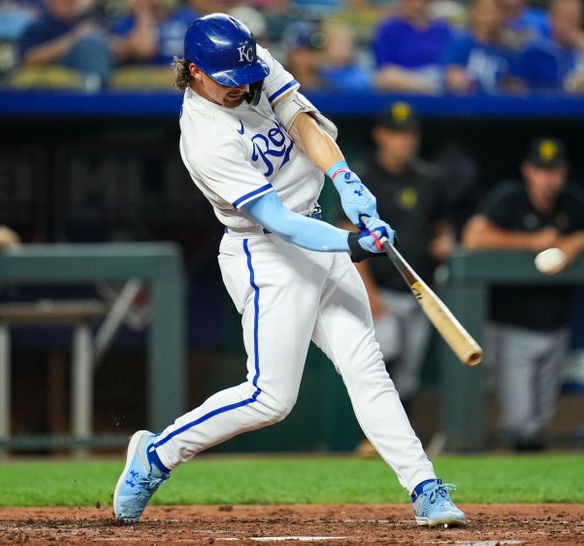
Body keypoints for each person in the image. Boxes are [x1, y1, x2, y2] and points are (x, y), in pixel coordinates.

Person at [112, 13, 466, 528]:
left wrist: (344, 178)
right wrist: (351, 242)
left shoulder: (248, 65)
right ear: (193, 72)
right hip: (267, 254)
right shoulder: (204, 138)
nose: (242, 88)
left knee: (366, 366)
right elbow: (278, 220)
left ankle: (425, 487)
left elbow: (302, 120)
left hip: (316, 229)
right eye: (228, 82)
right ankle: (156, 454)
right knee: (270, 398)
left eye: (246, 76)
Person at [462, 137, 584, 450]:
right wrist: (530, 241)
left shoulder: (570, 201)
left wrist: (577, 242)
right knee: (520, 423)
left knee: (541, 419)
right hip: (511, 326)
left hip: (556, 327)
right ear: (528, 170)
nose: (547, 178)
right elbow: (473, 236)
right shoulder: (510, 198)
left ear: (563, 172)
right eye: (540, 169)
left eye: (553, 170)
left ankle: (534, 492)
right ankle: (515, 490)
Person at [348, 101, 453, 424]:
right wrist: (372, 298)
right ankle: (374, 438)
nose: (404, 140)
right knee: (382, 366)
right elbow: (348, 240)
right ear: (381, 135)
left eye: (409, 133)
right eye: (396, 133)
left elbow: (442, 224)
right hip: (381, 291)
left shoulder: (428, 179)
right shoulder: (363, 178)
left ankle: (399, 444)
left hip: (420, 291)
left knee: (408, 380)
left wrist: (445, 239)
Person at [18, 0, 114, 88]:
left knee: (93, 44)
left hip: (100, 67)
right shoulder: (39, 26)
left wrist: (103, 37)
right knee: (88, 44)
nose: (68, 2)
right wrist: (75, 37)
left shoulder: (88, 20)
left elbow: (116, 47)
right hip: (61, 69)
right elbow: (29, 58)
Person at [373, 0, 452, 93]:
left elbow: (450, 62)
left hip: (437, 76)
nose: (416, 5)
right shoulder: (389, 28)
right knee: (386, 77)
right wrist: (419, 83)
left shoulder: (443, 29)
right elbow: (385, 67)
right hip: (403, 81)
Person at [442, 0, 520, 94]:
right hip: (466, 106)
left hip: (500, 105)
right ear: (474, 12)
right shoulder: (460, 44)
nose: (488, 18)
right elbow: (451, 75)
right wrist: (457, 79)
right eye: (484, 11)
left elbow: (517, 86)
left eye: (494, 12)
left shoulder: (510, 48)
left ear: (502, 15)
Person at [513, 0, 584, 92]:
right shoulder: (534, 52)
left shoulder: (582, 55)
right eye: (563, 18)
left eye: (573, 18)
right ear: (550, 18)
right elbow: (515, 90)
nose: (568, 25)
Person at [111, 0, 198, 66]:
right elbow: (144, 49)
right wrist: (144, 13)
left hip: (187, 78)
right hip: (151, 85)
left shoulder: (186, 17)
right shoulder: (128, 24)